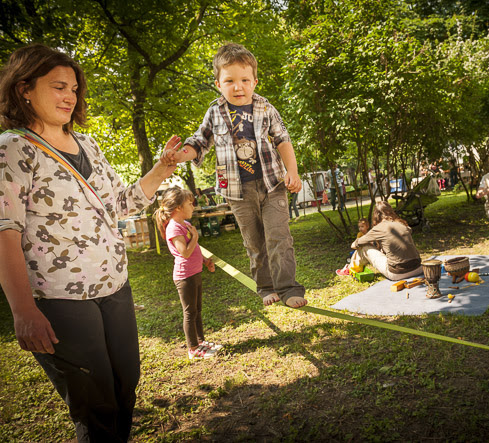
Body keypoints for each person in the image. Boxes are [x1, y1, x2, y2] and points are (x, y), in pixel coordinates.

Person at [0, 44, 180, 441]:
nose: (70, 96)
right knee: (97, 406)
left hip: (114, 287)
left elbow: (120, 203)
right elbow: (4, 229)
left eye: (74, 88)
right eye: (58, 86)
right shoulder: (13, 147)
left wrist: (163, 167)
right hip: (60, 298)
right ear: (24, 88)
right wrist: (23, 309)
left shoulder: (89, 145)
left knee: (125, 386)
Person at [161, 42, 306, 308]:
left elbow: (283, 140)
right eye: (229, 81)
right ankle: (266, 287)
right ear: (218, 84)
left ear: (254, 82)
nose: (238, 87)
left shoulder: (266, 108)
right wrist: (180, 155)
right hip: (238, 191)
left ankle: (288, 288)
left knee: (279, 237)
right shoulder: (214, 112)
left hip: (272, 184)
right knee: (254, 242)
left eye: (244, 80)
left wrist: (292, 172)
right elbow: (199, 142)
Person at [153, 187, 219, 360]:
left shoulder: (186, 224)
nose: (193, 206)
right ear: (178, 208)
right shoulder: (173, 228)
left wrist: (205, 261)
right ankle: (193, 349)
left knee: (197, 310)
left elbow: (195, 250)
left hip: (195, 273)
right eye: (190, 203)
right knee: (190, 313)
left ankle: (201, 342)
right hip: (185, 277)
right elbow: (185, 252)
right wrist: (195, 237)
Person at [349, 202, 422, 281]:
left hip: (398, 274)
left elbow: (355, 244)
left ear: (376, 215)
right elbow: (409, 230)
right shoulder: (401, 224)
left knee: (364, 247)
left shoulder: (378, 228)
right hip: (418, 268)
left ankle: (352, 268)